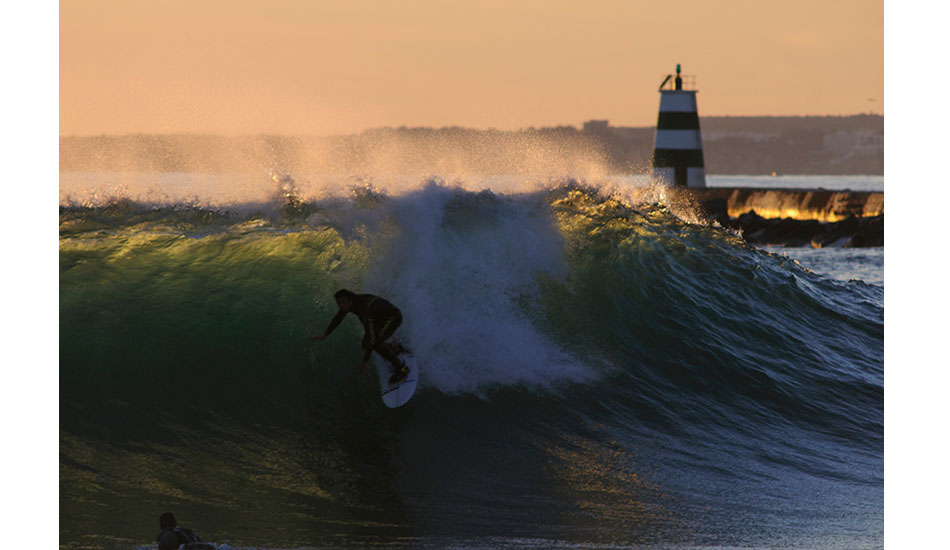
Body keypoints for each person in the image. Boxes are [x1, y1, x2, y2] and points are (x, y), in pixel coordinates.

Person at [311, 289, 409, 384]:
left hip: (393, 318)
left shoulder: (365, 310)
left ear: (350, 300)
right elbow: (338, 318)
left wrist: (365, 361)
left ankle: (401, 369)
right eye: (339, 303)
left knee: (375, 343)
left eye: (343, 302)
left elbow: (372, 339)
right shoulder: (352, 303)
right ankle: (393, 349)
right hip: (380, 318)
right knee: (365, 344)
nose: (341, 306)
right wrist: (325, 334)